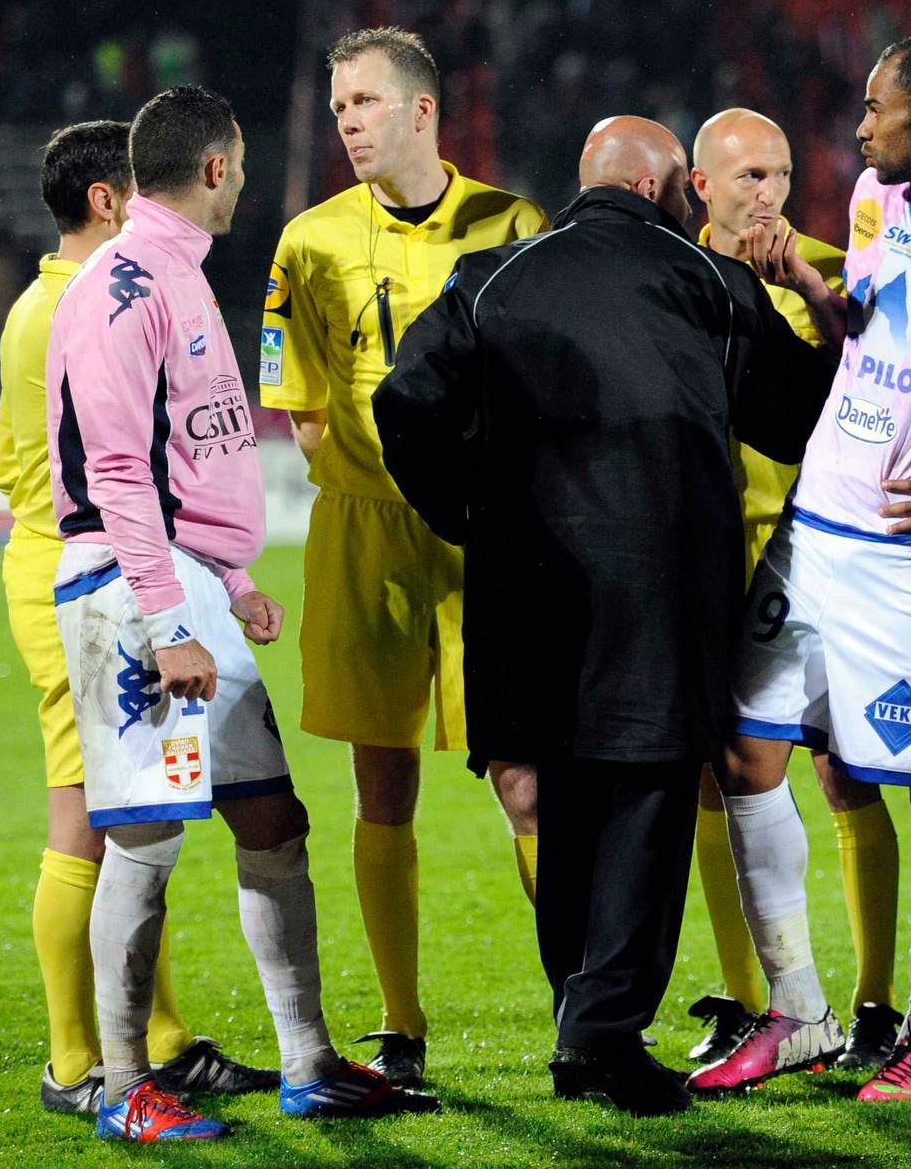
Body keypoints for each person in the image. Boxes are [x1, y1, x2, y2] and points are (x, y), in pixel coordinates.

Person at [372, 116, 833, 1117]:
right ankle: (603, 1033)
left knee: (565, 801)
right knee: (648, 799)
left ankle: (582, 1018)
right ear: (666, 189)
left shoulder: (489, 276)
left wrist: (467, 512)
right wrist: (819, 305)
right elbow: (799, 417)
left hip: (524, 585)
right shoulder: (707, 279)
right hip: (666, 581)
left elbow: (404, 401)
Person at [48, 85, 430, 1142]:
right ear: (217, 167)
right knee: (147, 836)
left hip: (188, 585)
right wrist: (172, 618)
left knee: (271, 819)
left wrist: (229, 580)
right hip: (132, 592)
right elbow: (117, 472)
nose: (243, 183)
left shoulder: (177, 271)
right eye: (243, 167)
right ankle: (124, 1086)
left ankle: (309, 1062)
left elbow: (187, 452)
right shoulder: (123, 282)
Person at [692, 33, 911, 1103]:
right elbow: (863, 342)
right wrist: (813, 290)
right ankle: (800, 1011)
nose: (859, 129)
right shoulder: (872, 198)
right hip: (817, 526)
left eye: (877, 108)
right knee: (745, 754)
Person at [258, 27, 549, 1088]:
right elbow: (299, 405)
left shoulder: (515, 225)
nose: (347, 122)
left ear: (424, 110)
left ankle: (583, 1008)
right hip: (365, 533)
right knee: (381, 784)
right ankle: (401, 1023)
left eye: (365, 102)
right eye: (339, 105)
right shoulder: (308, 241)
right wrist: (375, 478)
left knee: (527, 782)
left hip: (487, 536)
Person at [0, 120, 273, 1116]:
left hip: (109, 569)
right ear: (108, 201)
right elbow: (101, 472)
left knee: (135, 821)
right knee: (88, 826)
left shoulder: (66, 298)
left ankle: (161, 1042)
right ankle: (76, 1063)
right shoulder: (79, 302)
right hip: (83, 578)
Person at [684, 105, 887, 1071]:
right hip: (712, 552)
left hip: (820, 551)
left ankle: (876, 1001)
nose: (768, 194)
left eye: (779, 174)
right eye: (747, 177)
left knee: (850, 770)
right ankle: (751, 996)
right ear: (702, 187)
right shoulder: (676, 275)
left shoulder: (832, 273)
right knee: (719, 773)